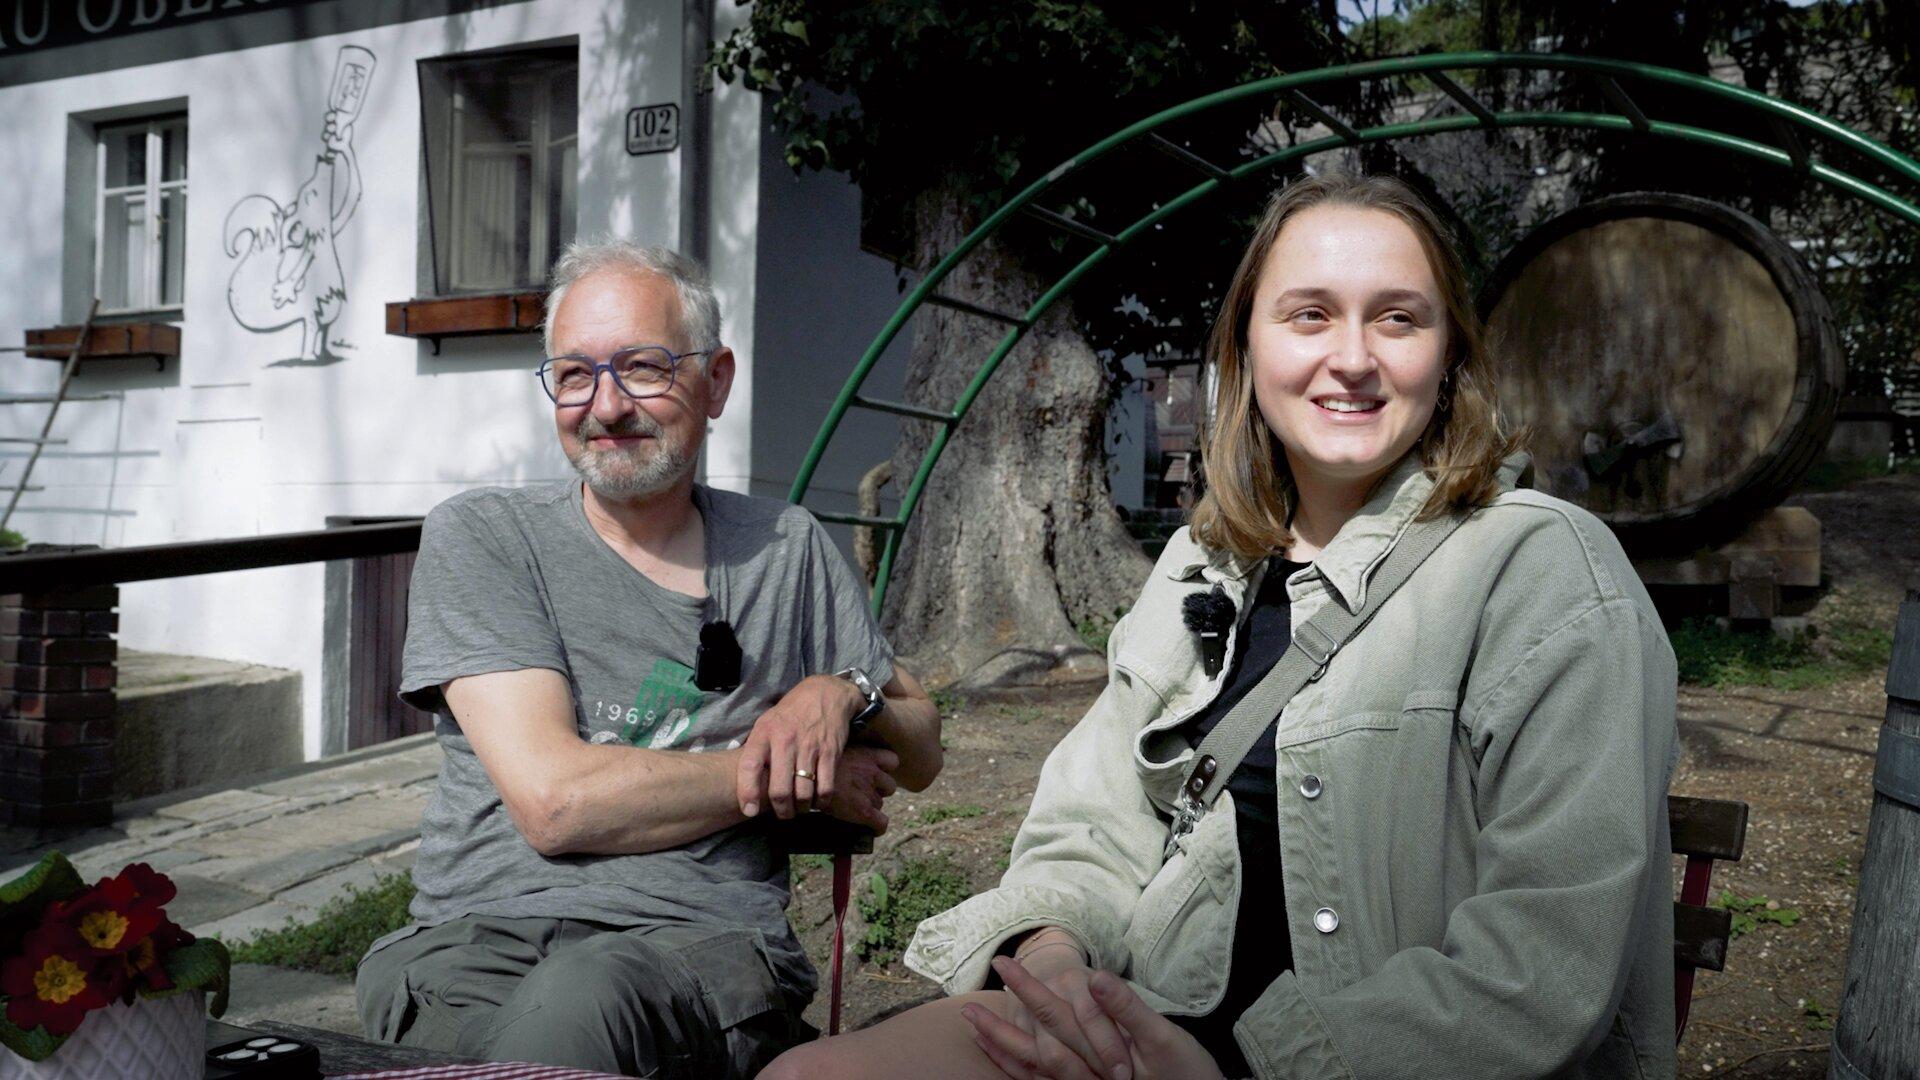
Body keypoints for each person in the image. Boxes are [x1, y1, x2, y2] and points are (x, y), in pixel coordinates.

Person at [763, 173, 1679, 1079]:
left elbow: (1541, 964)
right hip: (1136, 1028)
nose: (1353, 356)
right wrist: (1052, 961)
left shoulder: (1541, 570)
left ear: (1449, 358)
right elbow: (1093, 825)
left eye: (1399, 318)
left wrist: (1247, 1068)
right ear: (1248, 347)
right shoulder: (1202, 564)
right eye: (1309, 314)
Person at [354, 240, 942, 1078]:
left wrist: (843, 693)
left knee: (583, 998)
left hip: (694, 952)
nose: (606, 405)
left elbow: (920, 748)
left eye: (642, 367)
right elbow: (558, 802)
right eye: (574, 374)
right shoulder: (485, 536)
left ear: (716, 381)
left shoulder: (787, 549)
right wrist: (776, 777)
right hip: (470, 951)